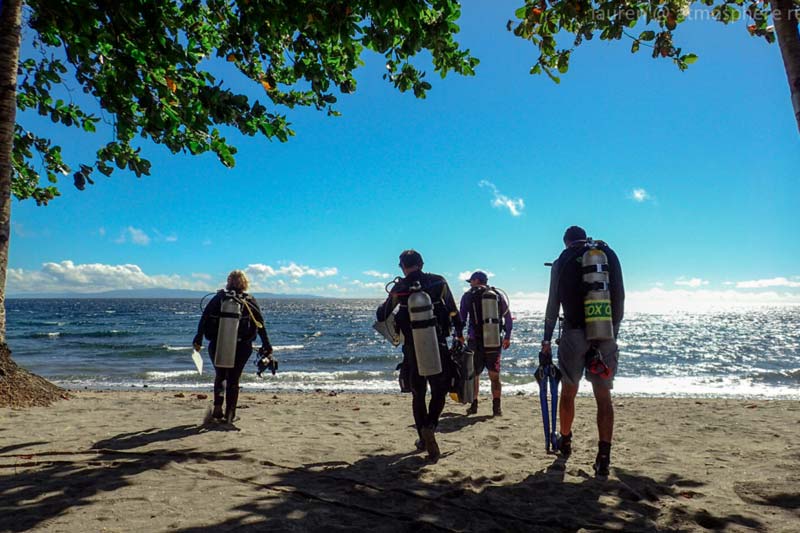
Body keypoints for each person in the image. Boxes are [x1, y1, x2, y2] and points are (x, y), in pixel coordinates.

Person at [541, 226, 624, 476]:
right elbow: (620, 296)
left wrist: (546, 339)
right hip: (605, 330)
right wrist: (611, 332)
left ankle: (565, 442)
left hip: (574, 332)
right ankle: (604, 455)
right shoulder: (607, 255)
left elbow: (553, 303)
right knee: (603, 396)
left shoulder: (562, 260)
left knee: (569, 390)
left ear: (566, 242)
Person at [376, 250, 463, 461]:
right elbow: (453, 311)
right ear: (422, 263)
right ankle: (431, 425)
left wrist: (394, 298)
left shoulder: (401, 287)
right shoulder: (438, 282)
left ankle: (423, 438)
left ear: (402, 267)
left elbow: (382, 314)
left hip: (412, 349)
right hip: (438, 345)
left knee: (418, 393)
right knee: (439, 390)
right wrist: (459, 336)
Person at [193, 270, 273, 424]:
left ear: (228, 282)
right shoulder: (249, 300)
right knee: (234, 379)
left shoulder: (219, 298)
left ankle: (217, 407)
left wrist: (198, 338)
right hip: (242, 345)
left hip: (218, 343)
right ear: (245, 283)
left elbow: (204, 318)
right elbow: (260, 323)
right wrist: (267, 344)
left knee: (221, 376)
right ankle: (230, 414)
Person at [458, 271, 513, 417]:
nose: (470, 283)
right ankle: (496, 408)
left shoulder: (468, 295)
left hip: (475, 341)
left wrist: (458, 336)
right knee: (494, 375)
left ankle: (474, 405)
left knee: (475, 374)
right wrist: (507, 336)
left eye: (471, 281)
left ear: (476, 280)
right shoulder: (496, 295)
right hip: (493, 340)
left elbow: (461, 318)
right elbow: (508, 318)